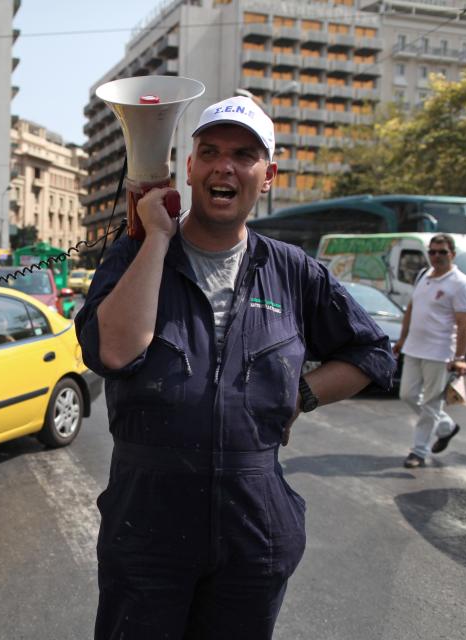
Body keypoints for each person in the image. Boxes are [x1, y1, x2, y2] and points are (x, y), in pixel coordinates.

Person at [75, 95, 395, 639]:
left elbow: (372, 353)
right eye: (211, 151)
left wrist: (301, 395)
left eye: (244, 155)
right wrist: (155, 237)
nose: (226, 166)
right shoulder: (134, 254)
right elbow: (115, 351)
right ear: (191, 168)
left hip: (254, 529)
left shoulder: (293, 270)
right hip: (147, 525)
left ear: (266, 175)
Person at [393, 233, 466, 468]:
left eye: (442, 252)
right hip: (414, 348)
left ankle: (418, 452)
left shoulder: (459, 283)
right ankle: (446, 427)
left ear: (452, 254)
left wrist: (460, 357)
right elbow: (411, 308)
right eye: (432, 252)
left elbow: (464, 323)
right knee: (407, 394)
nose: (436, 257)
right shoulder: (423, 275)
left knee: (430, 404)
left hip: (440, 353)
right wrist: (402, 338)